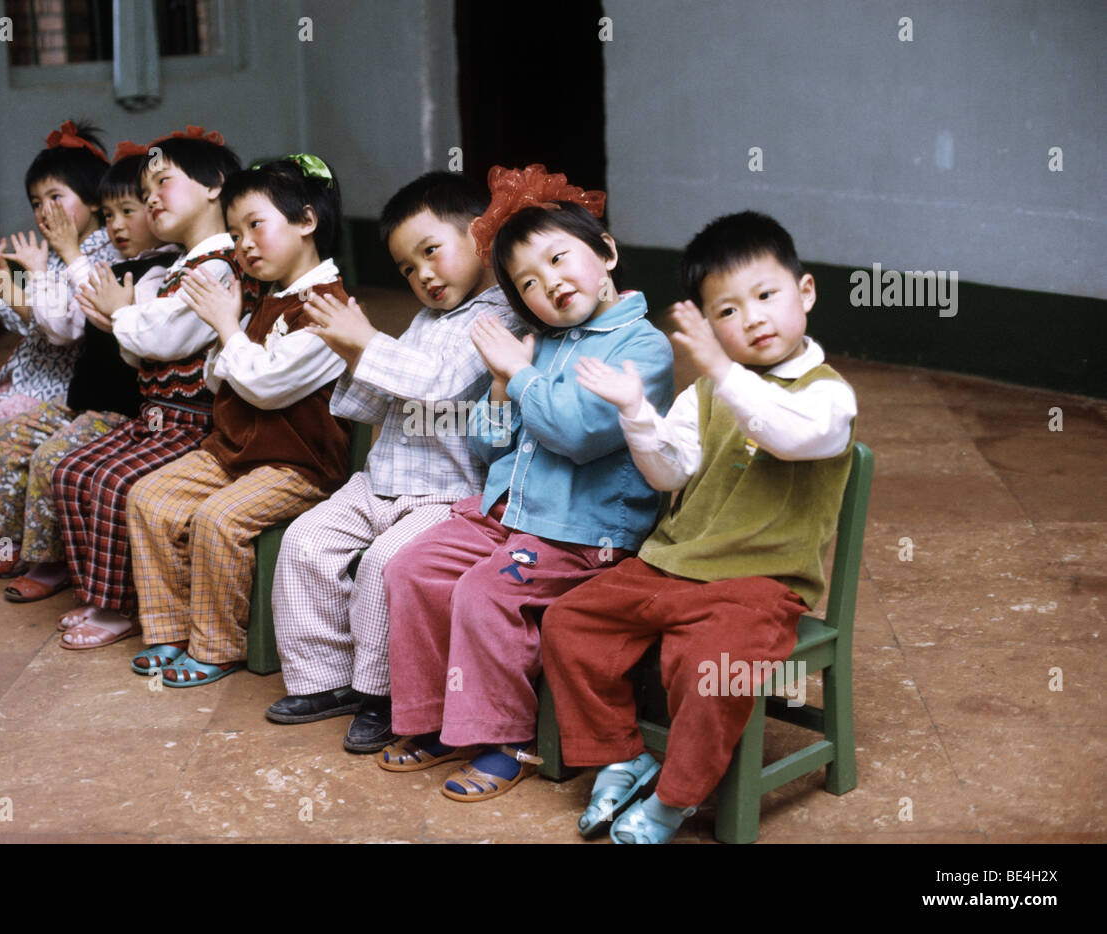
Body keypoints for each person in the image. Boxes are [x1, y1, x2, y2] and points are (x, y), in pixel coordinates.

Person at [541, 210, 859, 843]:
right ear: (709, 325)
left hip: (759, 585)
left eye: (766, 296)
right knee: (568, 621)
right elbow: (668, 472)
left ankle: (675, 798)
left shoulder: (828, 396)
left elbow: (789, 436)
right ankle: (620, 753)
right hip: (670, 565)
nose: (754, 319)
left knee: (711, 665)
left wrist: (725, 371)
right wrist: (636, 412)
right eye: (728, 313)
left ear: (806, 292)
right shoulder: (705, 392)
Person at [377, 165, 674, 801]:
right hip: (508, 512)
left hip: (580, 531)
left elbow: (580, 433)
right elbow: (491, 446)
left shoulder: (643, 347)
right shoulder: (543, 343)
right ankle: (439, 719)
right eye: (529, 283)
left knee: (487, 592)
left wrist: (524, 373)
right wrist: (501, 384)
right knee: (412, 566)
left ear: (607, 252)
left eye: (560, 258)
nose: (551, 284)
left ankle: (504, 740)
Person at [265, 171, 526, 753]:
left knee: (387, 564)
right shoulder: (423, 322)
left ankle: (383, 692)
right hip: (380, 480)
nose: (423, 275)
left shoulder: (503, 316)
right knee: (305, 542)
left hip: (450, 494)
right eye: (407, 268)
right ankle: (327, 679)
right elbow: (376, 400)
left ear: (482, 237)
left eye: (431, 251)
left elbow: (439, 386)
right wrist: (350, 351)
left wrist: (365, 344)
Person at [122, 154, 351, 683]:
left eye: (256, 226)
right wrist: (233, 332)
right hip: (235, 453)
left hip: (297, 467)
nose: (244, 243)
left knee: (218, 520)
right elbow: (217, 379)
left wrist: (228, 329)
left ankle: (216, 645)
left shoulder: (329, 307)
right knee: (149, 499)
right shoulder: (267, 300)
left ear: (307, 221)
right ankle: (169, 630)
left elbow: (266, 388)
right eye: (234, 231)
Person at [0, 142, 178, 598]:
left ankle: (50, 561)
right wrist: (7, 284)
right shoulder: (97, 254)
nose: (117, 225)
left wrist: (59, 261)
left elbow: (65, 327)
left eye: (129, 211)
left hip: (122, 409)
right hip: (84, 399)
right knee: (8, 433)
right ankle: (4, 543)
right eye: (111, 215)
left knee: (51, 456)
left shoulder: (146, 268)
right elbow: (51, 322)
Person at [51, 127, 246, 648]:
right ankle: (100, 593)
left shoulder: (222, 266)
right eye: (147, 189)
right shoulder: (176, 268)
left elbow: (165, 336)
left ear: (213, 187)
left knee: (116, 484)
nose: (151, 198)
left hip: (194, 428)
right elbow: (138, 350)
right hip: (153, 418)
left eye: (163, 182)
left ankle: (120, 607)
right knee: (71, 471)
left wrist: (123, 316)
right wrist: (126, 319)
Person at [0, 120, 118, 499]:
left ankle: (10, 512)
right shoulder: (56, 254)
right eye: (36, 202)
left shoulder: (99, 254)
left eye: (56, 197)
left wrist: (8, 285)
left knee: (7, 415)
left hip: (65, 380)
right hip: (33, 371)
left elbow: (58, 328)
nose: (44, 210)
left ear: (94, 199)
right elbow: (27, 321)